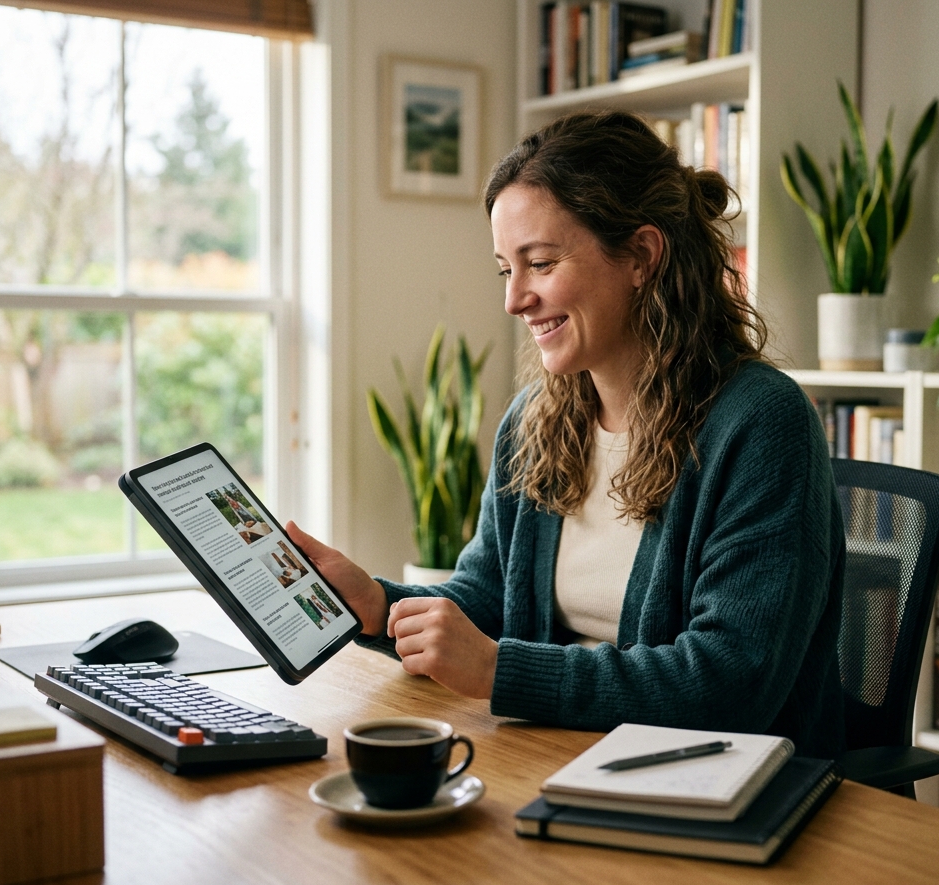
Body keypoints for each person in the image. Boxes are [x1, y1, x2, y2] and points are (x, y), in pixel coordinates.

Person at [287, 111, 845, 758]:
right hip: (558, 756)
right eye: (506, 270)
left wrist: (498, 671)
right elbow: (486, 598)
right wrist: (377, 605)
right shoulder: (534, 421)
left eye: (541, 263)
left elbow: (728, 684)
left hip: (716, 786)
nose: (515, 300)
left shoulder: (762, 424)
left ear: (641, 256)